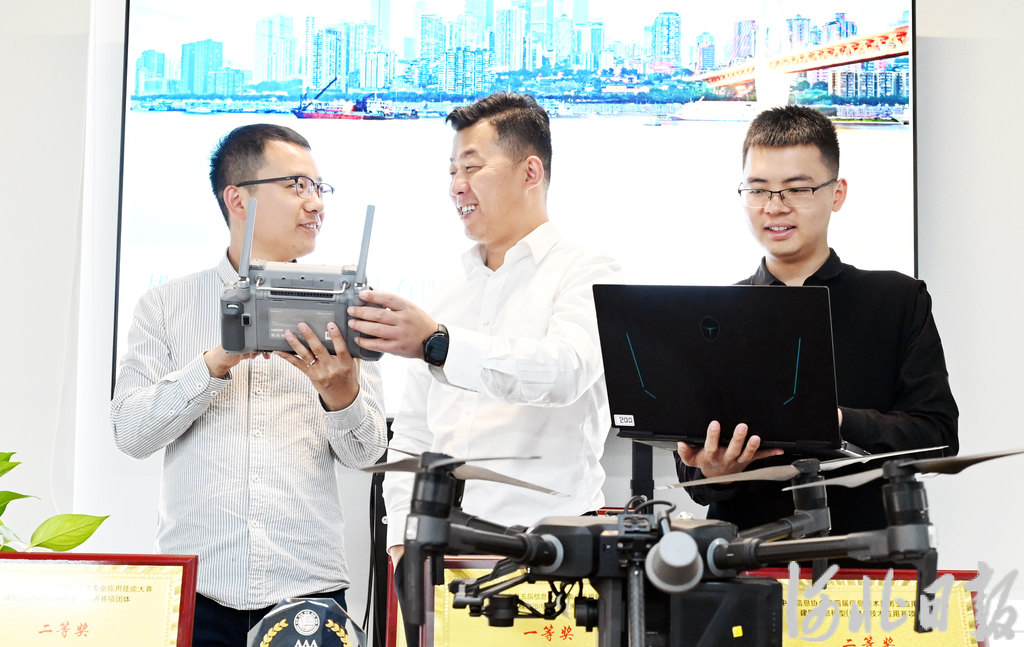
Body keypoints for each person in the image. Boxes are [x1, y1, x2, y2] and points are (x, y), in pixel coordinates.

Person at [111, 124, 387, 647]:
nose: (316, 203)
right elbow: (131, 433)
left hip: (309, 590)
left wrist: (341, 394)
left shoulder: (346, 304)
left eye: (319, 188)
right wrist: (216, 362)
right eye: (297, 185)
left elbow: (366, 454)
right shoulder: (165, 306)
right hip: (198, 591)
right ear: (237, 199)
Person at [346, 92, 623, 559]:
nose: (457, 187)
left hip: (552, 553)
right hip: (445, 555)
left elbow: (563, 372)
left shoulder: (589, 272)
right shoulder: (449, 294)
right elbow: (414, 432)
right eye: (452, 171)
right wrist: (400, 542)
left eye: (472, 168)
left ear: (530, 173)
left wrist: (438, 343)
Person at [676, 105, 959, 540]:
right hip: (745, 558)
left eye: (797, 189)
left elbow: (939, 436)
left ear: (837, 193)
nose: (775, 207)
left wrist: (836, 420)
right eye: (758, 190)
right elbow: (692, 474)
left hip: (867, 556)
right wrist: (713, 470)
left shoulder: (897, 299)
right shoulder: (714, 312)